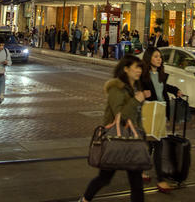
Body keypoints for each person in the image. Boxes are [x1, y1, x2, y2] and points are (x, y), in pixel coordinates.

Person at [78, 55, 147, 202]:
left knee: (136, 182)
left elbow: (134, 115)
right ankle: (85, 199)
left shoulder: (135, 87)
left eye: (140, 67)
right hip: (115, 140)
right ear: (126, 69)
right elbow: (120, 115)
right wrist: (137, 100)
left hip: (131, 140)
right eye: (136, 67)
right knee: (104, 178)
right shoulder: (117, 89)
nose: (139, 70)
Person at [140, 47, 183, 193]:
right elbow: (135, 90)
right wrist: (142, 94)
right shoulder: (143, 76)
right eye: (156, 56)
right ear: (149, 59)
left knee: (151, 145)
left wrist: (175, 90)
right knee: (157, 145)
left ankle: (140, 170)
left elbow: (163, 89)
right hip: (149, 112)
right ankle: (160, 180)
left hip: (160, 112)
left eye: (160, 57)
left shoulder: (161, 74)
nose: (159, 59)